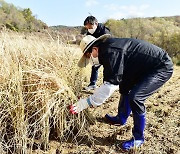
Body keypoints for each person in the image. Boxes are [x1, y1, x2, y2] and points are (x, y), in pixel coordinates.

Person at [69, 34, 173, 150]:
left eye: (89, 56)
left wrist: (87, 102)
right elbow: (112, 78)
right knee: (125, 87)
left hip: (160, 67)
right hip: (140, 68)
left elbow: (111, 85)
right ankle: (121, 118)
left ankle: (138, 137)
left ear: (94, 49)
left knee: (136, 97)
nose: (90, 60)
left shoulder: (111, 52)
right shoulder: (106, 50)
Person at [83, 15, 111, 91]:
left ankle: (106, 87)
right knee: (95, 66)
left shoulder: (105, 31)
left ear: (96, 23)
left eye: (90, 28)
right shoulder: (89, 32)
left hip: (107, 51)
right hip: (96, 52)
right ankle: (92, 84)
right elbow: (89, 43)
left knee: (107, 68)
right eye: (87, 28)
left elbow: (108, 44)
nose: (89, 30)